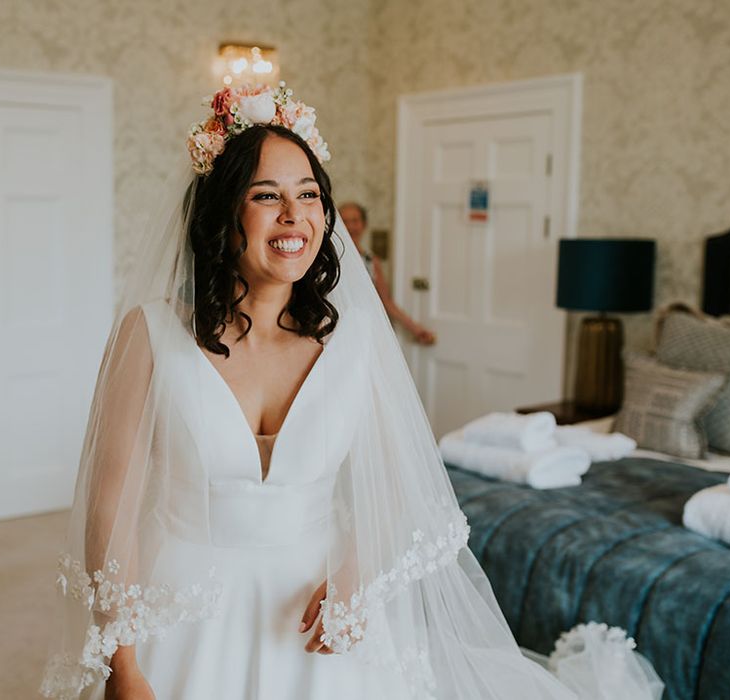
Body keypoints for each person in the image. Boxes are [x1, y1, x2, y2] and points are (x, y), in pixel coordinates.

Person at [39, 83, 661, 700]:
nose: (294, 216)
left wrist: (357, 578)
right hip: (179, 623)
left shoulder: (356, 341)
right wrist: (124, 665)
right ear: (221, 214)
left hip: (319, 621)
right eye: (266, 196)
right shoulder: (148, 335)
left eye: (309, 195)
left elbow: (399, 483)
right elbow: (111, 512)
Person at [339, 202, 436, 345]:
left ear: (364, 224)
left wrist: (416, 329)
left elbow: (386, 302)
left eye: (355, 221)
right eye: (345, 221)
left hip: (362, 329)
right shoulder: (329, 260)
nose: (350, 227)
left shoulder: (372, 262)